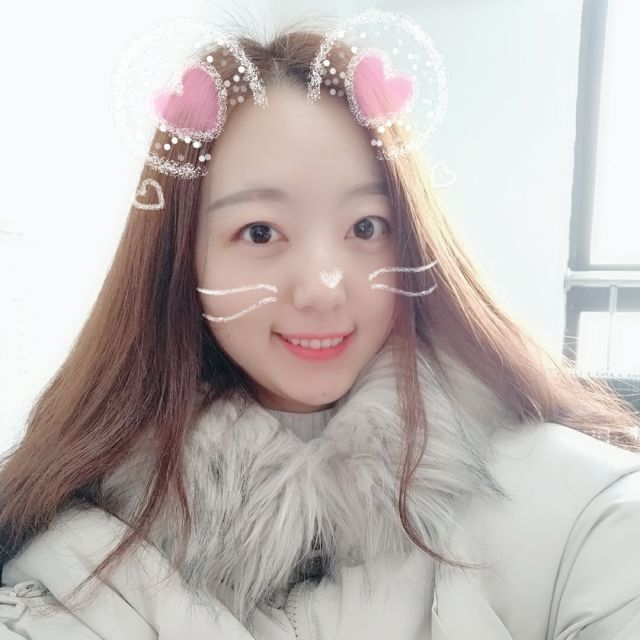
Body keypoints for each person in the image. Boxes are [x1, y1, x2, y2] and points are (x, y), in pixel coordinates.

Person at [1, 9, 639, 640]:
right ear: (180, 260)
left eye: (366, 227)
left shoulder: (575, 507)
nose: (322, 290)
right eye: (260, 232)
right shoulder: (81, 555)